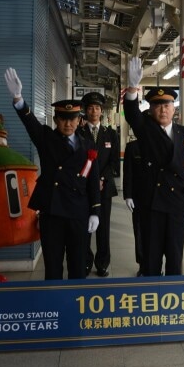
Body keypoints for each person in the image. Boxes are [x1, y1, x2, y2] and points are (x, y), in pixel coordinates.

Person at [3, 68, 101, 280]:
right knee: (53, 266)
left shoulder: (88, 146)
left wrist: (95, 211)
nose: (68, 124)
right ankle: (54, 305)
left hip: (78, 213)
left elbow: (93, 181)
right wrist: (18, 98)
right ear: (56, 120)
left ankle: (77, 306)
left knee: (77, 265)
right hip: (52, 212)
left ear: (79, 120)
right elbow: (30, 123)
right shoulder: (46, 138)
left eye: (72, 118)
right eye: (63, 119)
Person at [123, 58, 184, 276]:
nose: (162, 110)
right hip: (152, 203)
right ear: (150, 109)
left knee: (175, 255)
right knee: (151, 256)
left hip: (177, 203)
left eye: (166, 105)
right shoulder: (145, 130)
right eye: (157, 105)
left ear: (174, 108)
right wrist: (131, 88)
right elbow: (131, 113)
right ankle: (152, 296)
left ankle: (173, 298)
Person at [78, 92, 119, 277]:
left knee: (103, 228)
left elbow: (114, 162)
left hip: (104, 189)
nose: (93, 111)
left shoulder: (110, 134)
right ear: (86, 111)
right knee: (84, 227)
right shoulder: (78, 132)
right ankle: (85, 261)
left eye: (97, 108)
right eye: (90, 108)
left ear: (101, 111)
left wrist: (102, 179)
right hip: (83, 189)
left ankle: (103, 263)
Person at [122, 137, 145, 276]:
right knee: (140, 232)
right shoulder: (132, 147)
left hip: (159, 198)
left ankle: (156, 264)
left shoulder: (162, 143)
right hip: (138, 198)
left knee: (157, 234)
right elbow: (128, 172)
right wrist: (128, 195)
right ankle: (142, 265)